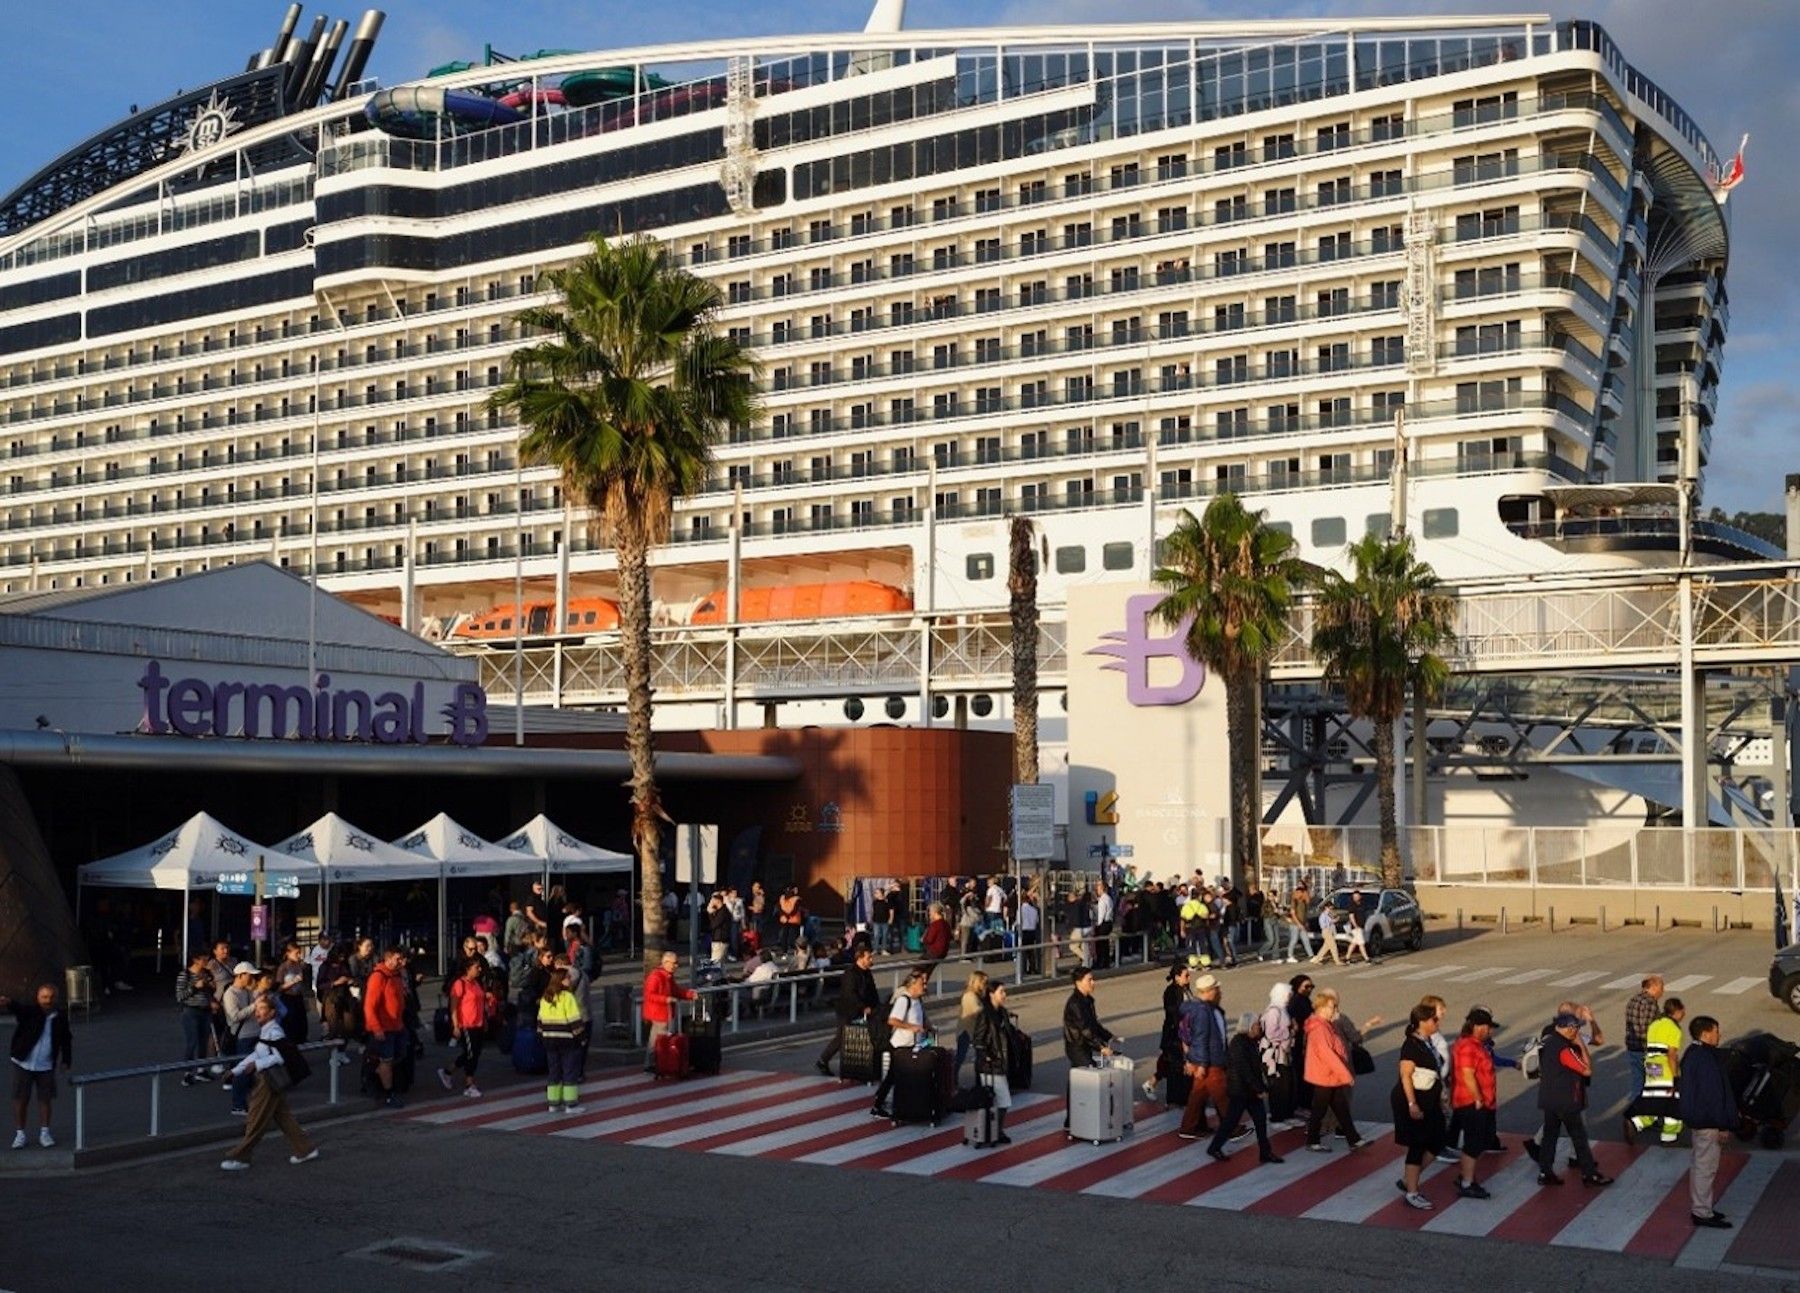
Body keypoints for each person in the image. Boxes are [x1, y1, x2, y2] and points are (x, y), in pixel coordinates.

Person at [219, 996, 317, 1171]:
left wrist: (255, 1065)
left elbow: (279, 1057)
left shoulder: (274, 1032)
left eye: (262, 1009)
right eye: (257, 1009)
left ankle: (241, 1156)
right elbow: (258, 1054)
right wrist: (236, 1070)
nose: (257, 1012)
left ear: (272, 1012)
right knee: (284, 1117)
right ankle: (305, 1149)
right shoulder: (267, 1031)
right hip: (271, 1079)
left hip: (269, 1080)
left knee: (256, 1119)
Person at [1534, 1011, 1613, 1187]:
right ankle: (1589, 1174)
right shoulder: (1565, 1048)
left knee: (1550, 1136)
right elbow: (1586, 1069)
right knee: (1579, 1138)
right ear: (1569, 1029)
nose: (1577, 1031)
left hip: (1549, 1097)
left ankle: (1545, 1172)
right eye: (1576, 1028)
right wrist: (1580, 1045)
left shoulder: (1547, 1040)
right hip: (1566, 1099)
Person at [1678, 1015, 1738, 1229]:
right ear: (1705, 1034)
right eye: (1716, 1031)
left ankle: (1703, 1208)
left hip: (1699, 1120)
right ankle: (1702, 1212)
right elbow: (1713, 1095)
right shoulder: (1706, 1059)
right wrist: (1723, 1124)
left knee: (1700, 1165)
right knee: (1706, 1167)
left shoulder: (1693, 1054)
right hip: (1709, 1122)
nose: (1719, 1034)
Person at [1207, 1012, 1282, 1164]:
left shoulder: (1250, 1041)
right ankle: (1215, 1147)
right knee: (1231, 1122)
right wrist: (1259, 1089)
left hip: (1249, 1091)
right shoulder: (1238, 1044)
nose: (1258, 1028)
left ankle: (1265, 1152)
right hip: (1240, 1092)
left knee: (1260, 1121)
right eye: (1256, 1025)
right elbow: (1245, 1071)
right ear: (1248, 1027)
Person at [5, 984, 72, 1149]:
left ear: (56, 998)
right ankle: (20, 1134)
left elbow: (66, 1039)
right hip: (23, 1063)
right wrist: (8, 1002)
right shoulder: (31, 1012)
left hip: (46, 1065)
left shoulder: (60, 1017)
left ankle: (45, 1133)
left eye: (50, 997)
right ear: (38, 998)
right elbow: (19, 1009)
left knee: (45, 1099)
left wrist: (66, 1060)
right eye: (44, 997)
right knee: (21, 1099)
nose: (47, 1001)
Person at [1392, 1004, 1446, 1210]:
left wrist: (1441, 1095)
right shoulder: (1411, 1045)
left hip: (1430, 1100)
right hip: (1414, 1101)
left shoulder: (1427, 1042)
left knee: (1439, 1140)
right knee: (1417, 1145)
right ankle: (1412, 1193)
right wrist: (1412, 1104)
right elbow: (1406, 1076)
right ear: (1422, 1022)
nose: (1438, 1023)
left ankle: (1408, 1180)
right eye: (1434, 1020)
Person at [1302, 988, 1363, 1152]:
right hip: (1325, 1075)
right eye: (1332, 1007)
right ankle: (1313, 1140)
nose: (1335, 1010)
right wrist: (1346, 1074)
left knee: (1340, 1107)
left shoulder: (1324, 1025)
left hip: (1329, 1075)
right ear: (1322, 1008)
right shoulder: (1320, 1029)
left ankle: (1353, 1139)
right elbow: (1328, 1055)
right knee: (1320, 1110)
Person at [1450, 1007, 1500, 1199]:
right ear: (1478, 1027)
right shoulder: (1468, 1046)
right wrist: (1478, 1097)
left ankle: (1465, 1175)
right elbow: (1467, 1074)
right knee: (1473, 1143)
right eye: (1489, 1027)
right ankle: (1466, 1182)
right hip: (1471, 1103)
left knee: (1484, 1140)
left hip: (1484, 1103)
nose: (1491, 1031)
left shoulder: (1477, 1045)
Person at [870, 967, 931, 1119]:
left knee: (901, 1076)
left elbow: (921, 1018)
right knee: (895, 1076)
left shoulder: (917, 1001)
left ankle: (899, 1103)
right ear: (913, 985)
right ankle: (878, 1106)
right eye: (922, 984)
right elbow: (893, 1020)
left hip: (912, 1045)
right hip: (899, 1045)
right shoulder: (904, 1000)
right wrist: (912, 1028)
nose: (925, 986)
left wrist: (928, 1027)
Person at [1061, 966, 1116, 1128]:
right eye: (1089, 980)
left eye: (1093, 979)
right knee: (1087, 1077)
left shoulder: (1087, 1000)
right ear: (1079, 982)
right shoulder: (1075, 1004)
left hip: (1084, 1044)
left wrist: (1109, 1036)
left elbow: (1094, 1025)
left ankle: (1074, 1118)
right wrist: (1101, 1047)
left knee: (1079, 1080)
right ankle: (1077, 1118)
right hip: (1076, 1045)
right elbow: (1085, 1030)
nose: (1093, 982)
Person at [1176, 973, 1229, 1141]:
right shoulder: (1203, 1011)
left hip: (1208, 1060)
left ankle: (1189, 1127)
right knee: (1222, 1095)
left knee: (1198, 1096)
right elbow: (1201, 1039)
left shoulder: (1206, 1009)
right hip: (1210, 1061)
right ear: (1208, 991)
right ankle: (1231, 1127)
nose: (1219, 992)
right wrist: (1202, 1064)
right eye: (1216, 989)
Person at [818, 943, 878, 1077]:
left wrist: (876, 1007)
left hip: (860, 1010)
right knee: (842, 1037)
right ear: (860, 958)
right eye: (869, 958)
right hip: (847, 1010)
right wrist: (863, 1007)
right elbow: (850, 994)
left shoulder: (867, 973)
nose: (871, 960)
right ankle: (823, 1060)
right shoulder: (851, 974)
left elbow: (872, 992)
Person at [1632, 997, 1686, 1145]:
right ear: (1677, 1011)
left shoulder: (1655, 1023)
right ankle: (1669, 1136)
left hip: (1651, 1063)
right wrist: (1675, 1077)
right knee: (1672, 1099)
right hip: (1664, 1065)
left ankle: (1636, 1122)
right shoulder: (1674, 1028)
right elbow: (1672, 1055)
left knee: (1654, 1096)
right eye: (1683, 1011)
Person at [363, 946, 410, 1110]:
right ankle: (389, 1094)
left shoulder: (395, 976)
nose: (401, 962)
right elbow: (370, 1006)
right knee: (386, 1060)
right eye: (398, 959)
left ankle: (377, 1078)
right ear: (388, 958)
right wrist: (376, 1028)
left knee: (398, 1056)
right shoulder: (379, 977)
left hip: (396, 1025)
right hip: (385, 1027)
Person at [970, 980, 1016, 1144]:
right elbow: (978, 1040)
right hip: (990, 1066)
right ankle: (994, 1131)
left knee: (998, 1101)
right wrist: (988, 1056)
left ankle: (994, 1131)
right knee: (1002, 1100)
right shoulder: (985, 1015)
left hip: (999, 1063)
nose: (1004, 995)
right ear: (991, 994)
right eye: (1001, 992)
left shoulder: (1002, 1012)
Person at [437, 958, 490, 1098]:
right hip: (466, 1023)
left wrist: (484, 1019)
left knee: (473, 1053)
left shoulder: (477, 984)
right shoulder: (460, 984)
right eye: (476, 967)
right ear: (468, 969)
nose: (479, 970)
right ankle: (469, 1084)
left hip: (477, 1023)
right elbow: (453, 1006)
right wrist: (456, 1025)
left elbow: (481, 1002)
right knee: (471, 1054)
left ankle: (447, 1071)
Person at [537, 966, 584, 1114]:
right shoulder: (568, 997)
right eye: (567, 977)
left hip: (549, 1039)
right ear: (560, 980)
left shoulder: (546, 997)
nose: (570, 980)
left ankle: (553, 1103)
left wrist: (542, 1035)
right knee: (569, 1071)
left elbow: (540, 1020)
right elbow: (574, 1020)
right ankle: (570, 1104)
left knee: (554, 1071)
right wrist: (581, 1037)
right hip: (566, 1039)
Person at [643, 950, 696, 1075]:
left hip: (664, 1012)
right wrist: (666, 999)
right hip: (659, 1013)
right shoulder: (656, 977)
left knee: (657, 1039)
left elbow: (675, 990)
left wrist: (689, 994)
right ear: (666, 963)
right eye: (674, 963)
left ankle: (656, 1063)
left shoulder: (667, 976)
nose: (676, 966)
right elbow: (649, 995)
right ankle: (653, 1063)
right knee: (658, 1040)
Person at [1148, 961, 1191, 1101]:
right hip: (1174, 1034)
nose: (1188, 978)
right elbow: (1173, 1012)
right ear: (1177, 977)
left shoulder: (1185, 989)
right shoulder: (1171, 991)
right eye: (1186, 975)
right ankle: (1174, 1097)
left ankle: (1153, 1083)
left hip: (1182, 1033)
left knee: (1170, 1063)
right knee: (1174, 1066)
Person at [1258, 981, 1298, 1126]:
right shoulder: (1274, 1011)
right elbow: (1271, 1033)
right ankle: (1277, 1117)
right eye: (1287, 994)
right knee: (1278, 1087)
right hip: (1274, 1055)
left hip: (1283, 1053)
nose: (1289, 997)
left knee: (1288, 1085)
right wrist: (1290, 1030)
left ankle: (1287, 1114)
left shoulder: (1283, 1009)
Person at [176, 952, 217, 1085]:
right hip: (190, 1011)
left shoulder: (206, 974)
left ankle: (201, 1070)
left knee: (203, 1042)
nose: (206, 961)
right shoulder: (185, 975)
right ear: (195, 959)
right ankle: (187, 1072)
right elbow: (180, 996)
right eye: (204, 958)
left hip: (206, 1011)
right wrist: (195, 987)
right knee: (192, 1041)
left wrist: (211, 988)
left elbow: (211, 991)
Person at [1623, 975, 1665, 1104]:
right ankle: (1654, 1115)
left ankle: (1635, 1114)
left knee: (1638, 1084)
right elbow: (1647, 1028)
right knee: (1655, 1084)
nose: (1663, 991)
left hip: (1633, 1049)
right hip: (1649, 1051)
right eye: (1661, 987)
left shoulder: (1633, 1000)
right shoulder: (1650, 1003)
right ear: (1653, 987)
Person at [954, 971, 990, 1081]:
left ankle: (979, 1078)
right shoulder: (969, 996)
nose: (985, 985)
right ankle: (952, 1077)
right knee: (961, 1056)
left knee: (979, 1055)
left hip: (974, 1031)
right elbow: (975, 1011)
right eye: (983, 982)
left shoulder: (978, 995)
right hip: (966, 1031)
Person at [274, 941, 311, 1045]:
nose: (299, 955)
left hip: (298, 997)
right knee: (291, 1023)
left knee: (302, 1022)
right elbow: (279, 987)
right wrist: (293, 981)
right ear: (288, 953)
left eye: (299, 953)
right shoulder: (283, 967)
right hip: (287, 998)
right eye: (296, 953)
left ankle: (301, 1040)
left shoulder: (300, 966)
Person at [1285, 884, 1314, 962]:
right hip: (1295, 924)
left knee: (1306, 939)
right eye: (1303, 892)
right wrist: (1298, 924)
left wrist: (1305, 923)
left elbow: (1304, 914)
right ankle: (1290, 956)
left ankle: (1311, 955)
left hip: (1302, 924)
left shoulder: (1303, 902)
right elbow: (1293, 914)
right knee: (1294, 940)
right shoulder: (1294, 901)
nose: (1304, 894)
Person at [1092, 880, 1116, 971]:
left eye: (1098, 887)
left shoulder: (1102, 899)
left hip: (1103, 923)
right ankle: (1106, 962)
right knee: (1105, 944)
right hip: (1109, 922)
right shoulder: (1109, 898)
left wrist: (1098, 925)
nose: (1096, 889)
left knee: (1100, 944)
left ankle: (1100, 962)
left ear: (1102, 888)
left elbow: (1101, 914)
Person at [1017, 887, 1041, 976]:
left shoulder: (1020, 910)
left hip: (1024, 931)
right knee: (1031, 952)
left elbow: (1018, 921)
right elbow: (1037, 921)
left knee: (1023, 952)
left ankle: (1023, 969)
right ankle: (1032, 968)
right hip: (1032, 931)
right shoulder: (1034, 910)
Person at [706, 891, 732, 965]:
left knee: (715, 962)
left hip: (720, 940)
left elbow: (714, 925)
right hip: (720, 939)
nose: (711, 903)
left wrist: (710, 914)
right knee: (721, 964)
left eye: (712, 901)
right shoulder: (720, 911)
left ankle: (713, 976)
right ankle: (722, 976)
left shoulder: (722, 912)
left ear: (717, 901)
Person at [777, 886, 804, 953]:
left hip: (785, 920)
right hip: (793, 920)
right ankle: (794, 949)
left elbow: (779, 908)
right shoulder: (796, 899)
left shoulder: (782, 898)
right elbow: (795, 909)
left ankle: (785, 950)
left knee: (785, 935)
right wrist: (787, 916)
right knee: (792, 936)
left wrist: (784, 915)